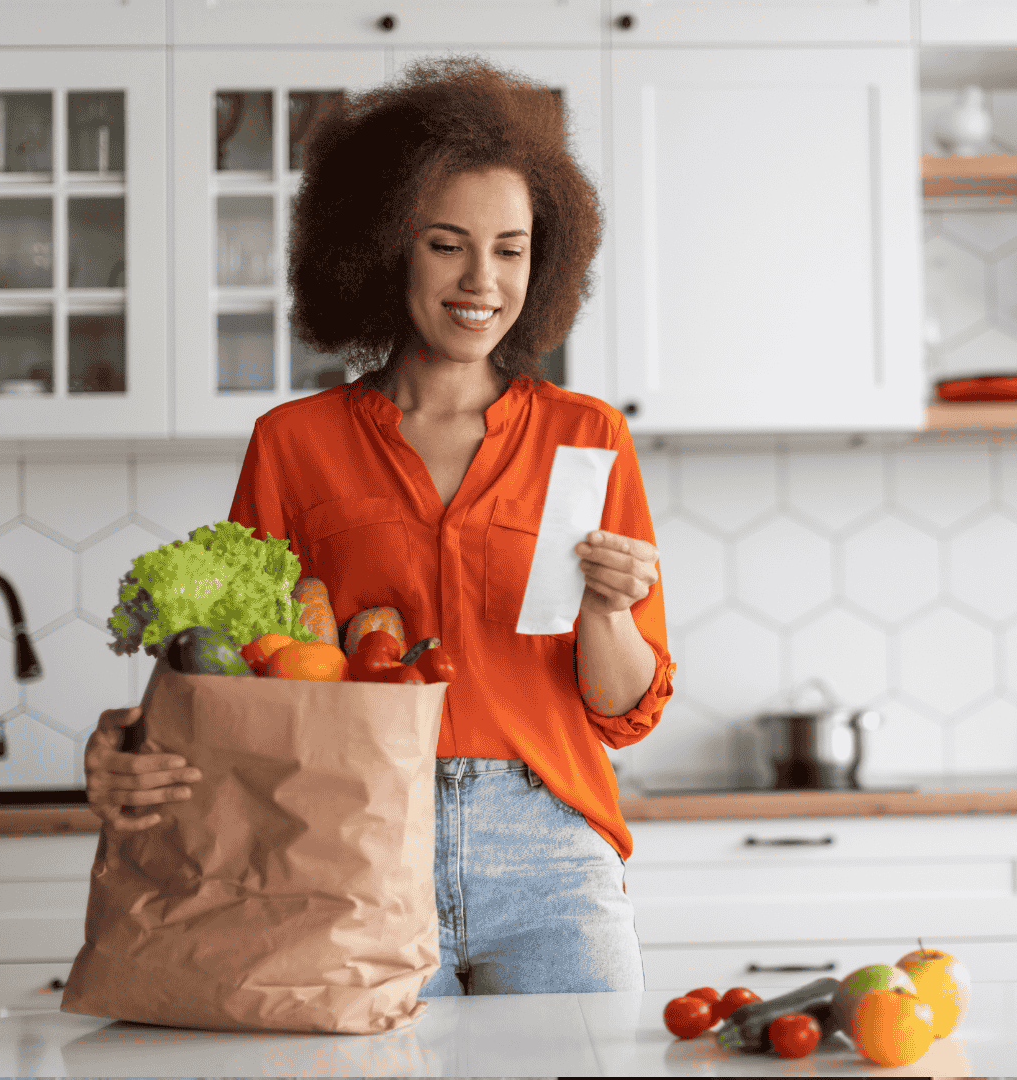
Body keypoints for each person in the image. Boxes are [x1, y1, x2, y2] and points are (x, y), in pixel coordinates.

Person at [84, 56, 675, 997]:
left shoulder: (585, 436)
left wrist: (609, 611)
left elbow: (623, 710)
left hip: (551, 854)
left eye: (512, 248)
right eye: (447, 244)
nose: (483, 279)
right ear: (383, 245)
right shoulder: (294, 444)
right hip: (354, 848)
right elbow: (237, 677)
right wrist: (130, 740)